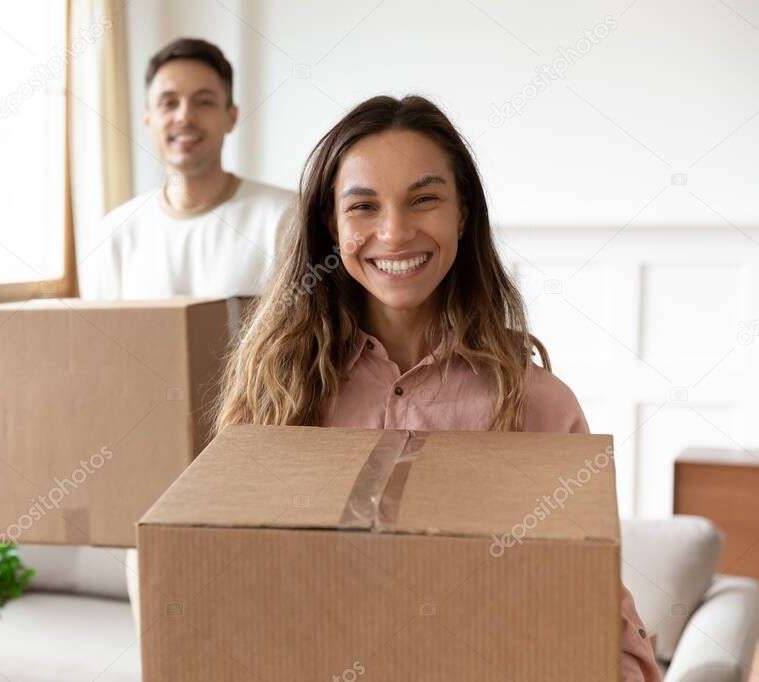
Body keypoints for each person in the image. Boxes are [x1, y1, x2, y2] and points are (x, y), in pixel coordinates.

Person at [215, 95, 662, 681]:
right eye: (364, 206)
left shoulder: (538, 406)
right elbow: (228, 589)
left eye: (424, 199)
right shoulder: (275, 396)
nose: (394, 232)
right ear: (331, 224)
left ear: (463, 213)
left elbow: (600, 617)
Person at [81, 37, 294, 300]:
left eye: (204, 102)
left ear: (231, 117)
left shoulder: (286, 218)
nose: (184, 117)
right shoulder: (113, 234)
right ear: (148, 120)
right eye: (168, 103)